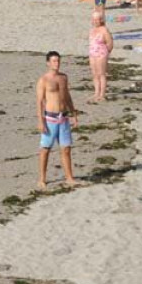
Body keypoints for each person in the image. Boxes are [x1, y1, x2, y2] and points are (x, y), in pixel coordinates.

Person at [36, 51, 79, 189]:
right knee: (45, 149)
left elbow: (67, 96)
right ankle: (42, 179)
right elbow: (39, 102)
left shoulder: (64, 78)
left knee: (66, 149)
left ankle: (69, 177)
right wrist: (41, 121)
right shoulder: (44, 80)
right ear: (48, 63)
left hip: (64, 117)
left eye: (58, 61)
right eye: (54, 61)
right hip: (50, 119)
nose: (57, 63)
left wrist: (74, 113)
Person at [88, 11, 113, 102]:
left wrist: (106, 53)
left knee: (101, 74)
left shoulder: (104, 30)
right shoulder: (92, 30)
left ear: (101, 20)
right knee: (94, 74)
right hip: (92, 53)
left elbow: (110, 43)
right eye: (94, 19)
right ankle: (96, 93)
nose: (95, 21)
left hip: (101, 54)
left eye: (97, 19)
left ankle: (102, 94)